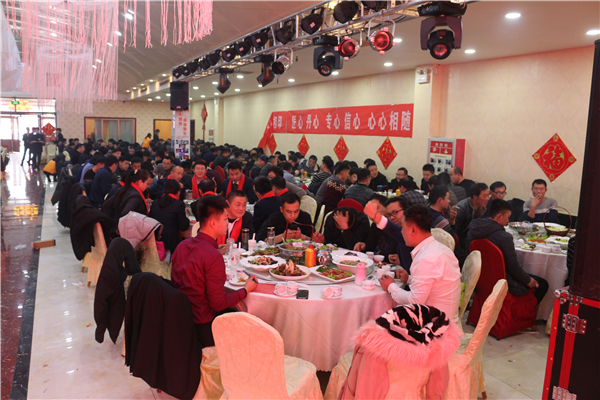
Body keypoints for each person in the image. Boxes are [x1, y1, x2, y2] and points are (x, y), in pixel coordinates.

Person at [378, 205, 461, 400]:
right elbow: (434, 286)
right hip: (446, 318)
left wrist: (391, 287)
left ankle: (386, 387)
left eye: (403, 228)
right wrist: (409, 280)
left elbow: (415, 301)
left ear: (413, 229)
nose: (401, 233)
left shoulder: (426, 258)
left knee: (376, 330)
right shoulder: (439, 249)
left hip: (436, 331)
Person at [171, 195, 257, 349]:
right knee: (250, 325)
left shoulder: (182, 246)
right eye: (225, 219)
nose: (227, 223)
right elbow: (218, 303)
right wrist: (245, 290)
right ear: (213, 223)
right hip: (203, 325)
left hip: (179, 317)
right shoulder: (212, 256)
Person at [467, 199, 549, 304]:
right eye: (508, 217)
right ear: (499, 216)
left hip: (479, 279)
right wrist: (528, 280)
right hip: (502, 282)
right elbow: (513, 267)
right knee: (543, 284)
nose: (508, 220)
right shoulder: (504, 237)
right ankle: (524, 311)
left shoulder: (473, 230)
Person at [364, 197, 414, 272]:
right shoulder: (397, 232)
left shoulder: (412, 230)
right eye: (389, 215)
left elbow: (401, 235)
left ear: (407, 211)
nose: (392, 217)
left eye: (395, 212)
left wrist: (377, 217)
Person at [149, 179, 190, 255]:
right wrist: (187, 218)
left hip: (155, 239)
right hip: (172, 241)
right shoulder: (178, 204)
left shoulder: (155, 202)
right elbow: (183, 226)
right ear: (178, 192)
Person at [353, 194, 398, 261]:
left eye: (376, 208)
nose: (372, 212)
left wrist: (378, 254)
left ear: (386, 207)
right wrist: (363, 246)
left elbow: (390, 252)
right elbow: (370, 247)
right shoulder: (375, 225)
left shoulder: (395, 224)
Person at [452, 183, 490, 254]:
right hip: (460, 240)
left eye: (488, 195)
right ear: (475, 196)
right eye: (485, 196)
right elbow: (454, 232)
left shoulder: (482, 207)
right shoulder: (461, 208)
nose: (487, 198)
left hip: (469, 237)